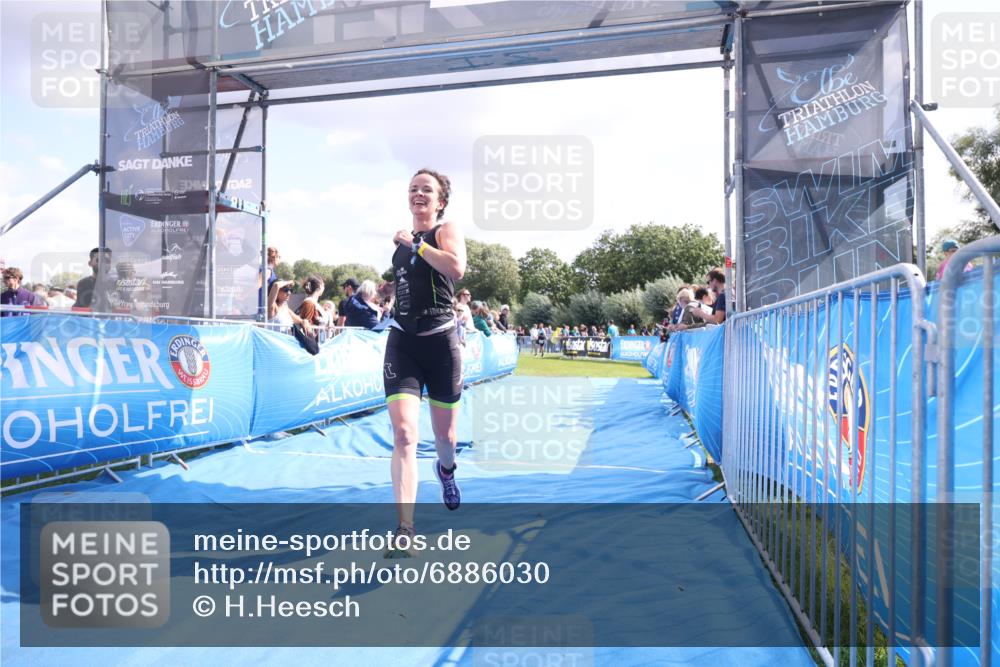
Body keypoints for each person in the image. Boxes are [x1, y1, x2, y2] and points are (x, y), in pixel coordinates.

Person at [383, 168, 467, 555]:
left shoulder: (443, 231)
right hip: (403, 343)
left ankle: (446, 471)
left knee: (445, 439)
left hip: (441, 344)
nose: (418, 194)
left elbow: (455, 268)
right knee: (404, 435)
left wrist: (416, 245)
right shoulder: (400, 245)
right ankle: (405, 527)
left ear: (440, 201)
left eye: (426, 190)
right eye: (413, 188)